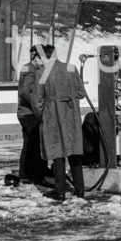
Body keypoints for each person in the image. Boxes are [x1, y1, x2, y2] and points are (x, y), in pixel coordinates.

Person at [33, 45, 86, 201]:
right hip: (72, 113)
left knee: (58, 152)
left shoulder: (42, 72)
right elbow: (81, 93)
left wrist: (42, 116)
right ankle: (80, 189)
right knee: (74, 151)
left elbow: (37, 100)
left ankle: (60, 191)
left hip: (53, 114)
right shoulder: (71, 68)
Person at [16, 44, 51, 184]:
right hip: (30, 113)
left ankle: (26, 173)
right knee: (36, 144)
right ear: (37, 57)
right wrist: (38, 105)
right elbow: (27, 91)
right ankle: (35, 174)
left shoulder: (27, 67)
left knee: (29, 144)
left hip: (25, 112)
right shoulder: (31, 69)